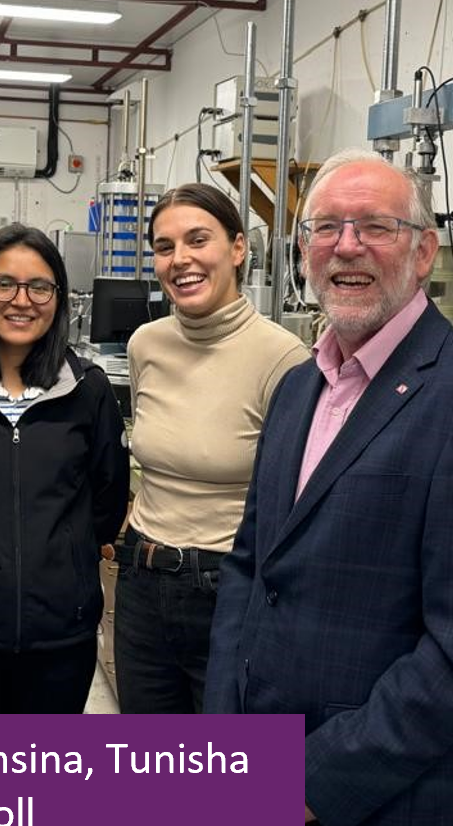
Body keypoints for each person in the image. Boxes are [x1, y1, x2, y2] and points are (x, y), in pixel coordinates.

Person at [205, 148, 453, 826]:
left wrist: (313, 780)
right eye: (325, 227)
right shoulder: (301, 386)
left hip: (386, 801)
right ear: (302, 251)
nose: (346, 246)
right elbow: (250, 570)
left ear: (424, 252)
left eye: (374, 227)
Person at [119, 183, 310, 714]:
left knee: (225, 777)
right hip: (141, 575)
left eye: (197, 240)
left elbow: (294, 499)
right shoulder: (146, 345)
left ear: (238, 247)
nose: (180, 260)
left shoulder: (284, 359)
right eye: (164, 247)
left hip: (228, 589)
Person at [0, 225, 130, 714]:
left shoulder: (86, 391)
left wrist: (66, 564)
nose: (22, 300)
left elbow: (106, 499)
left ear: (58, 297)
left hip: (61, 638)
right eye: (4, 284)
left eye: (39, 286)